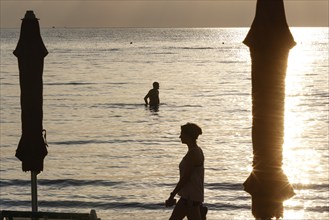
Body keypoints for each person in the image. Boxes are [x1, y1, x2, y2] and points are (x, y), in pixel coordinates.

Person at [165, 123, 207, 220]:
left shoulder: (193, 153)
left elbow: (186, 178)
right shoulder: (196, 151)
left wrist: (172, 195)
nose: (180, 136)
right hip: (188, 198)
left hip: (190, 199)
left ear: (188, 136)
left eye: (182, 134)